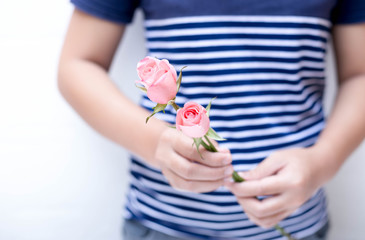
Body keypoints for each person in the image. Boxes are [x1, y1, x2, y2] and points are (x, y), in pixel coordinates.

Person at [58, 0, 365, 239]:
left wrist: (323, 162)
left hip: (296, 225)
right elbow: (77, 65)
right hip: (162, 224)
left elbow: (359, 75)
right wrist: (157, 145)